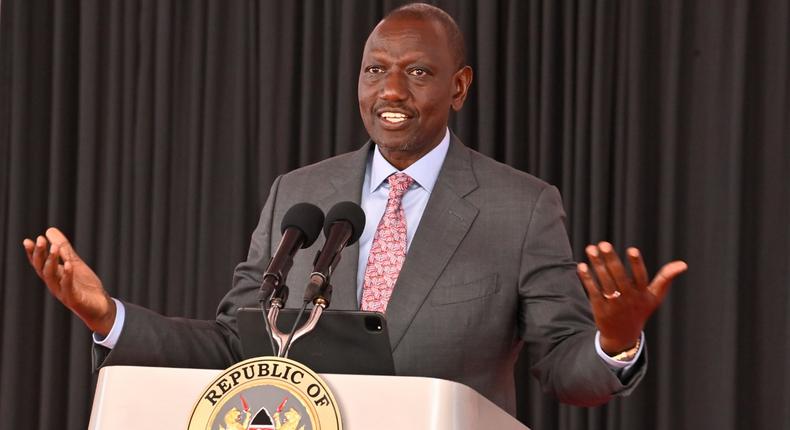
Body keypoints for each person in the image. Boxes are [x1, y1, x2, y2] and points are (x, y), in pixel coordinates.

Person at [22, 3, 687, 416]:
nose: (391, 90)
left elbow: (566, 374)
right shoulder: (299, 195)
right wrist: (108, 318)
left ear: (459, 87)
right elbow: (236, 347)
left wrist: (615, 341)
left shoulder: (522, 208)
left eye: (418, 73)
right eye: (375, 70)